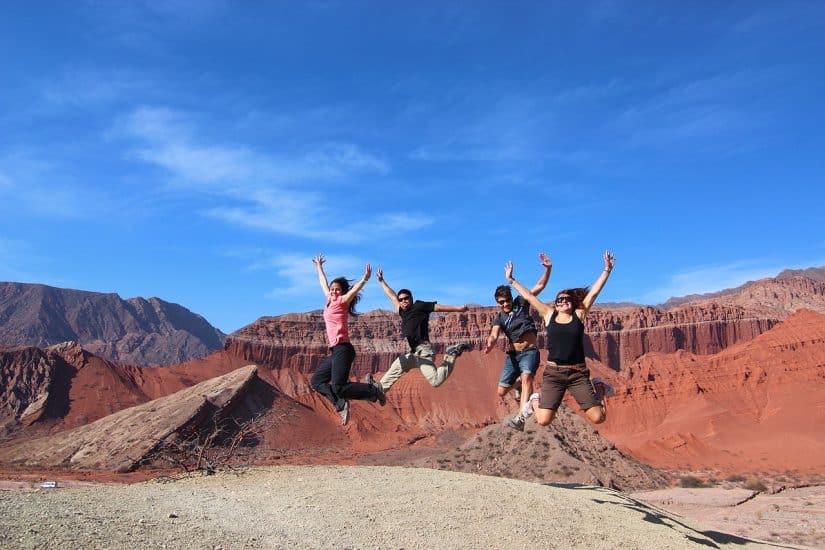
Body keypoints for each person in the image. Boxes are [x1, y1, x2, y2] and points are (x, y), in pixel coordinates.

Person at [504, 251, 616, 429]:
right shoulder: (549, 315)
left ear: (573, 303)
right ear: (555, 303)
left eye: (566, 299)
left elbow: (594, 293)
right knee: (543, 420)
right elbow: (529, 297)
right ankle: (534, 400)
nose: (562, 301)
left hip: (577, 374)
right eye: (559, 299)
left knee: (599, 418)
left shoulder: (579, 315)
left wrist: (607, 270)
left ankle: (599, 387)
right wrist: (512, 280)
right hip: (554, 374)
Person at [309, 254, 385, 426]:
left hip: (343, 348)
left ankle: (373, 391)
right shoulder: (329, 300)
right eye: (332, 288)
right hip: (335, 351)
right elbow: (323, 282)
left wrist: (365, 279)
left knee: (338, 386)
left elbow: (355, 290)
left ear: (342, 292)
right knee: (316, 381)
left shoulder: (342, 301)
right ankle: (340, 404)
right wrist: (319, 267)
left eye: (337, 289)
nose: (334, 291)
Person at [371, 268, 472, 393]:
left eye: (406, 298)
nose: (403, 301)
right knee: (398, 364)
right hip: (413, 353)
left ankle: (450, 356)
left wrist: (458, 309)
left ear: (411, 298)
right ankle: (379, 389)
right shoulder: (402, 311)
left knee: (435, 381)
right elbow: (391, 296)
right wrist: (382, 281)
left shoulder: (419, 306)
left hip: (424, 351)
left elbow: (438, 308)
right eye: (401, 299)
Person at [484, 252, 552, 431]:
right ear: (497, 303)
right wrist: (490, 342)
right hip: (513, 355)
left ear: (510, 297)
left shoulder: (522, 302)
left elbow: (540, 285)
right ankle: (518, 387)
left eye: (506, 300)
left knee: (527, 377)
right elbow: (494, 333)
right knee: (501, 392)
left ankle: (521, 418)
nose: (505, 304)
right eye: (501, 302)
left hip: (529, 352)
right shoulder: (499, 317)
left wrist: (548, 268)